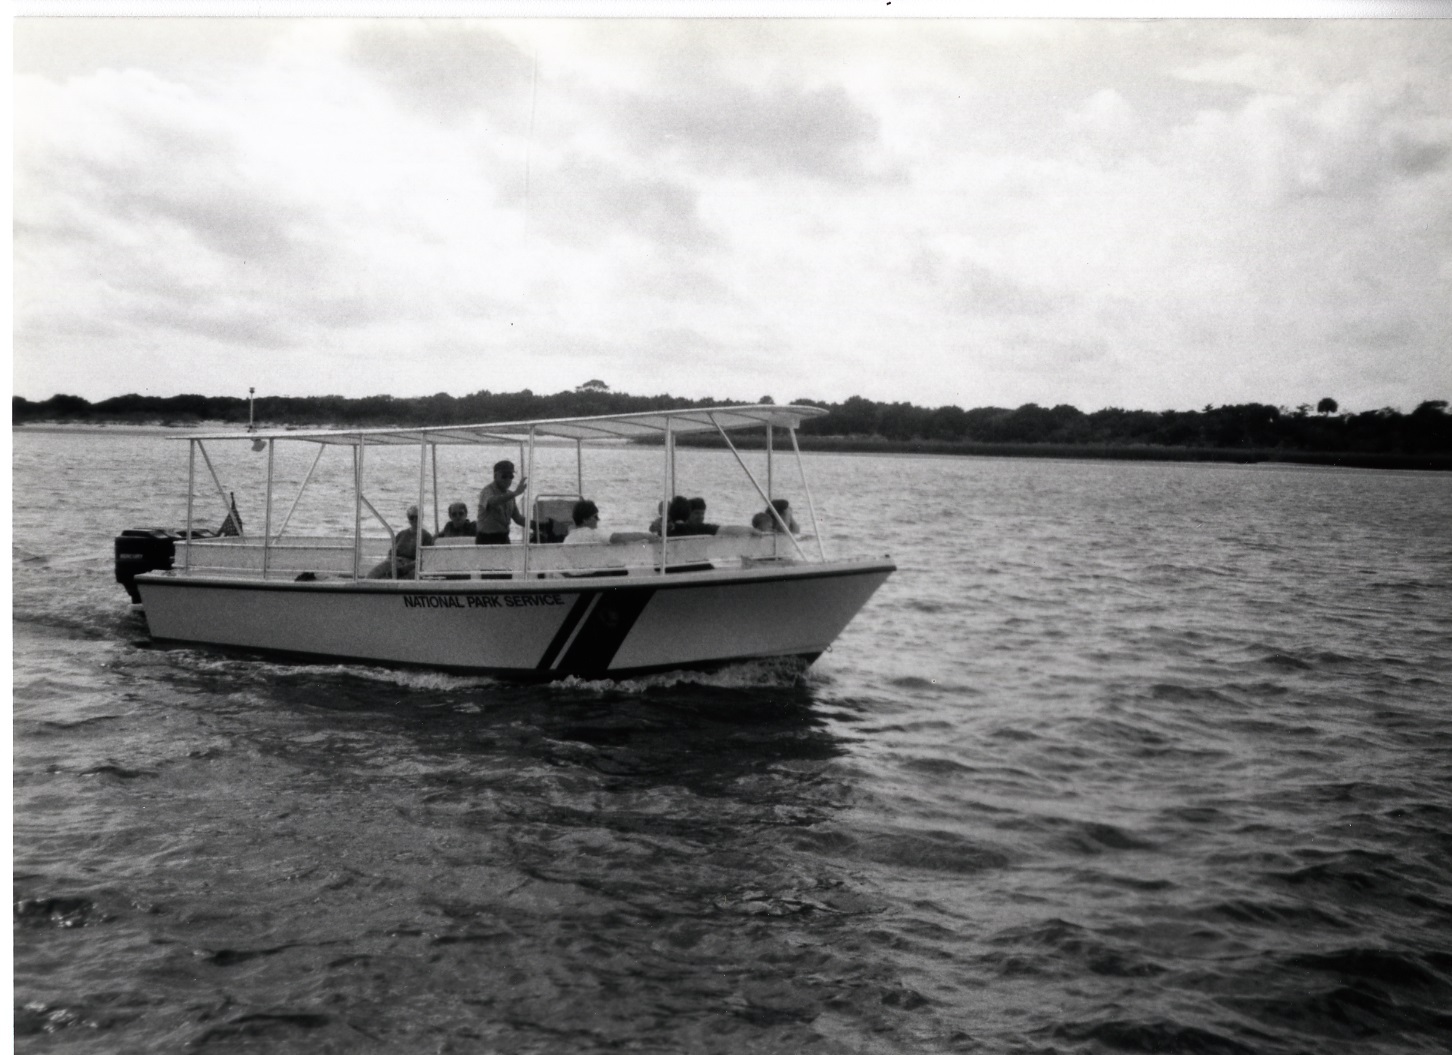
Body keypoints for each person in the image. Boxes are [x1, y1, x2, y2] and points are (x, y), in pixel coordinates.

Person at [366, 505, 434, 578]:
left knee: (401, 576)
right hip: (394, 562)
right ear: (408, 519)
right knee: (373, 574)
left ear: (421, 518)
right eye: (412, 517)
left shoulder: (426, 536)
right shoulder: (401, 534)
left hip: (411, 565)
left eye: (417, 517)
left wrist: (404, 568)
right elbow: (391, 552)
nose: (414, 520)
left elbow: (425, 559)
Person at [476, 460, 528, 544]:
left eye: (511, 476)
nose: (508, 479)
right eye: (504, 476)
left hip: (504, 538)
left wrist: (536, 525)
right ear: (495, 476)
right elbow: (492, 502)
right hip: (486, 539)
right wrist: (515, 493)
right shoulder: (487, 491)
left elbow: (518, 518)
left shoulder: (510, 495)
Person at [565, 500, 654, 545]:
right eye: (595, 517)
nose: (598, 519)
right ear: (585, 519)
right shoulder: (592, 534)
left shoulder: (568, 539)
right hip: (590, 574)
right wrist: (646, 536)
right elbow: (618, 537)